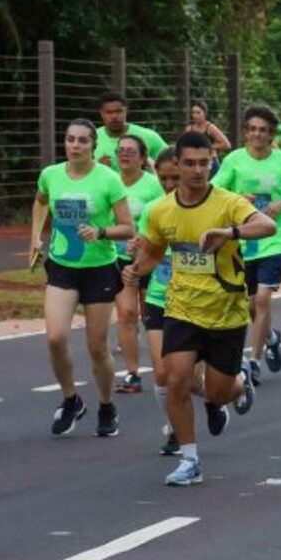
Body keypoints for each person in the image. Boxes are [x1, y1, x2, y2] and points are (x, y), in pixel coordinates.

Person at [125, 131, 275, 486]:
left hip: (226, 312)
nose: (197, 170)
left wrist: (231, 232)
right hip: (182, 307)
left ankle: (239, 384)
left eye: (204, 163)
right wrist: (135, 269)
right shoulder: (160, 210)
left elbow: (266, 225)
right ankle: (190, 459)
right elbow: (155, 251)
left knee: (219, 392)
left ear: (212, 162)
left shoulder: (227, 202)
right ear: (176, 164)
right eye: (189, 163)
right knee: (174, 380)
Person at [31, 119, 135, 437]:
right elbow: (40, 202)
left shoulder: (108, 180)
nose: (75, 145)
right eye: (70, 139)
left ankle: (106, 405)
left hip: (99, 267)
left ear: (93, 146)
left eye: (82, 141)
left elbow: (128, 227)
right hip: (62, 264)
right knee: (54, 337)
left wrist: (100, 232)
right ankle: (70, 399)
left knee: (97, 347)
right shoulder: (51, 175)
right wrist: (35, 237)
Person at [212, 104, 281, 385]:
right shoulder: (234, 160)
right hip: (243, 241)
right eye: (252, 130)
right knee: (251, 305)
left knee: (262, 299)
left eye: (263, 131)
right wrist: (238, 197)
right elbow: (215, 191)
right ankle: (271, 337)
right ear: (244, 133)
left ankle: (253, 361)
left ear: (272, 134)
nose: (257, 135)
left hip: (274, 241)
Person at [129, 147, 185, 456]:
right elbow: (145, 253)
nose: (168, 184)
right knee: (162, 372)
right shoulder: (153, 209)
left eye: (174, 178)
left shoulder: (205, 208)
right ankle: (175, 428)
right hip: (159, 296)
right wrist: (135, 254)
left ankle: (220, 397)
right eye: (163, 178)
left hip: (195, 300)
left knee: (190, 377)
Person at [113, 135, 165, 394]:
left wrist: (142, 240)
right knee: (126, 313)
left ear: (143, 158)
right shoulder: (110, 183)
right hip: (119, 258)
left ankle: (161, 364)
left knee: (149, 314)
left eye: (131, 151)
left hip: (150, 257)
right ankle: (132, 372)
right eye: (120, 151)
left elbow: (159, 218)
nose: (124, 155)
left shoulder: (153, 186)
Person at [93, 92, 167, 172]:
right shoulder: (91, 138)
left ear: (126, 111)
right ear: (101, 113)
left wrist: (147, 165)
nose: (114, 116)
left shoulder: (148, 136)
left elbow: (172, 163)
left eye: (118, 111)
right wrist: (97, 169)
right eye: (109, 112)